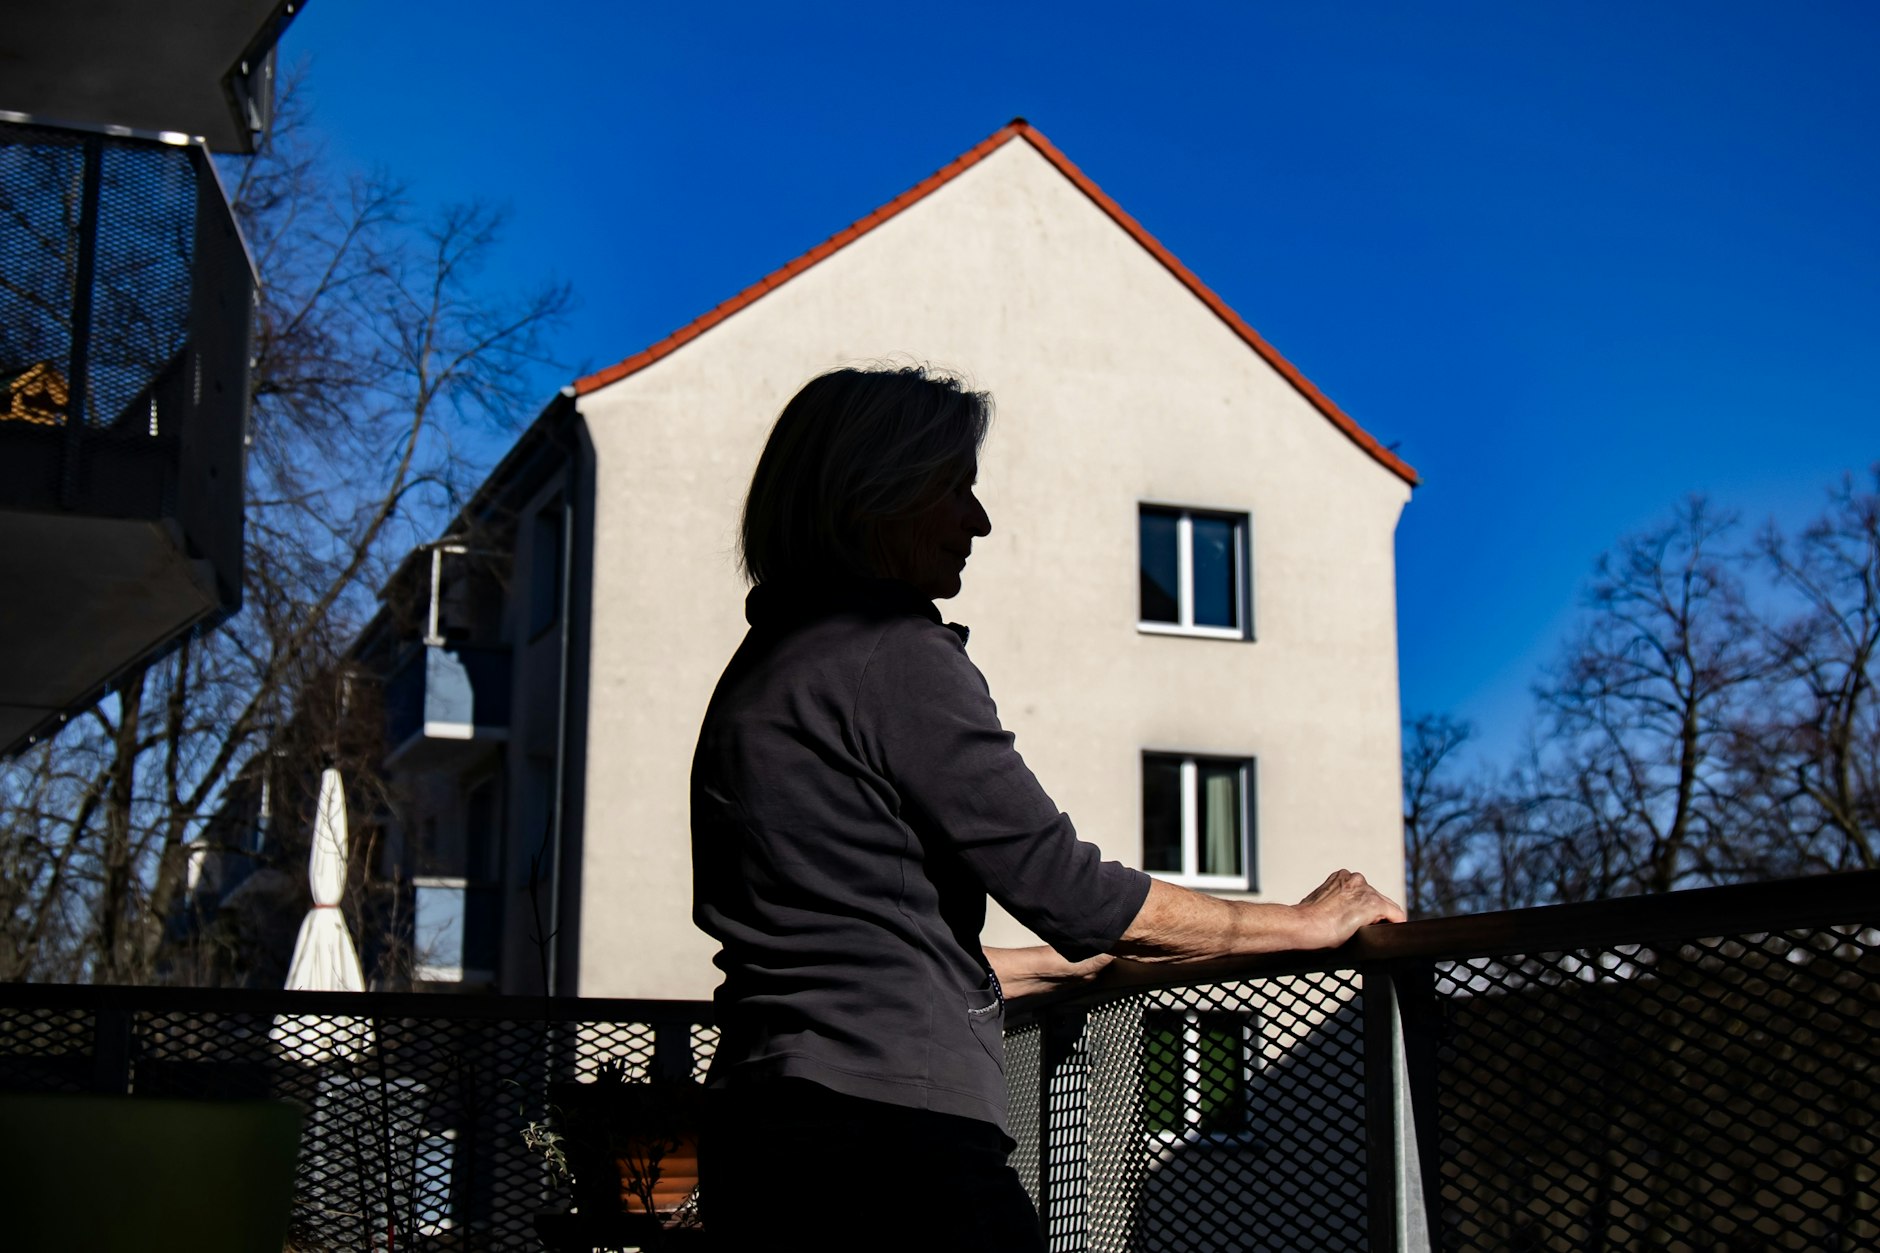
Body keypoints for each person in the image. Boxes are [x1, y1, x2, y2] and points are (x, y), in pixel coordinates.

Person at [691, 364, 1405, 1252]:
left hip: (760, 1137)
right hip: (890, 1148)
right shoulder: (891, 654)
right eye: (955, 487)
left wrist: (1063, 969)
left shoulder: (759, 674)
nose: (977, 519)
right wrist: (1299, 925)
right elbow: (1069, 890)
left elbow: (857, 939)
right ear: (875, 494)